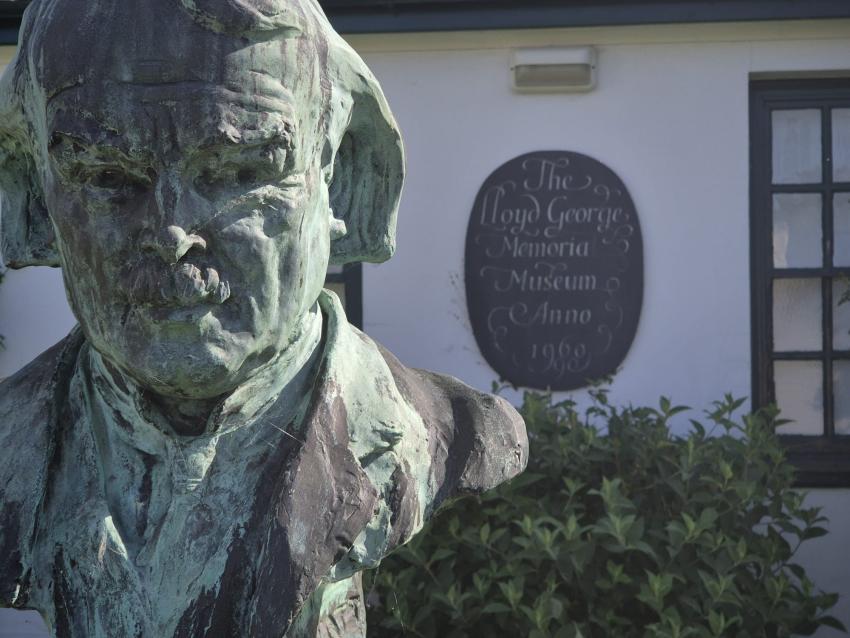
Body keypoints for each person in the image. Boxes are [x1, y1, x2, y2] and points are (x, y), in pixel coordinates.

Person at [0, 1, 528, 637]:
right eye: (108, 176)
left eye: (238, 171)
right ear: (34, 191)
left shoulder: (456, 434)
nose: (171, 233)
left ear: (338, 172)